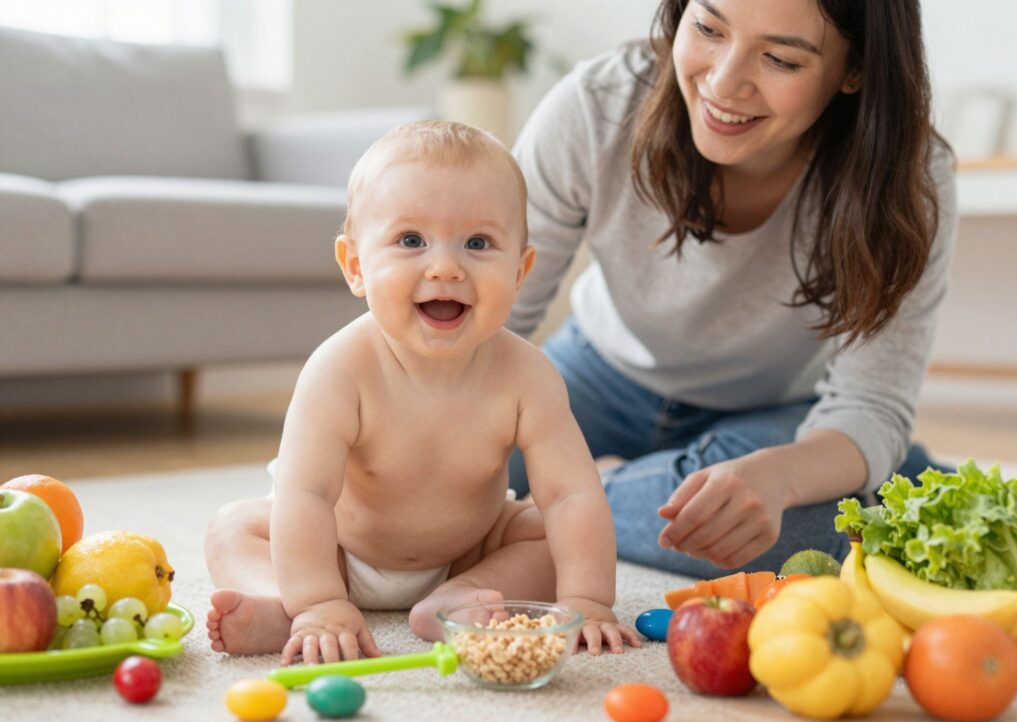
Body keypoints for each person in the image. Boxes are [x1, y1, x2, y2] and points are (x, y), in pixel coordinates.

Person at [507, 0, 957, 579]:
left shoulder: (908, 178)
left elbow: (870, 406)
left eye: (779, 59)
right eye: (707, 28)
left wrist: (781, 476)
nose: (723, 83)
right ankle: (885, 477)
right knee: (436, 478)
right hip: (596, 374)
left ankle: (541, 512)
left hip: (769, 411)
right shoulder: (597, 107)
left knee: (802, 536)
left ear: (856, 69)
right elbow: (493, 319)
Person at [204, 120, 640, 665]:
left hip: (467, 553)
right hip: (336, 551)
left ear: (521, 270)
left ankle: (455, 601)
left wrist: (587, 599)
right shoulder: (339, 368)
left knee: (549, 532)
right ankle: (285, 607)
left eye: (478, 243)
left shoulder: (529, 375)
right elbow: (306, 495)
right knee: (233, 527)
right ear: (356, 266)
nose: (445, 267)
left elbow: (571, 495)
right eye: (411, 241)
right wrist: (318, 599)